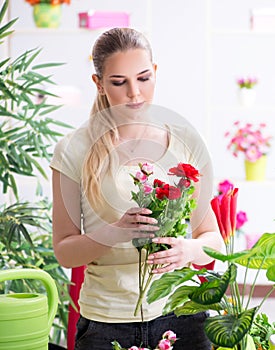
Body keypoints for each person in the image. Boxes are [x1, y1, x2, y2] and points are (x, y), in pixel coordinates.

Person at [50, 27, 223, 350]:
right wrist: (112, 233)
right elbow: (64, 251)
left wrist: (187, 250)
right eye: (119, 82)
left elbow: (213, 239)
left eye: (144, 78)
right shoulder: (73, 149)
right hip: (106, 325)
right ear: (98, 83)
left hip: (182, 315)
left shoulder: (183, 139)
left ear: (155, 72)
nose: (135, 93)